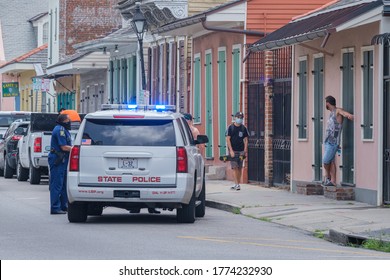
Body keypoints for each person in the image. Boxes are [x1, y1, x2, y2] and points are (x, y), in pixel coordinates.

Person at [323, 95, 354, 186]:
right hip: (328, 142)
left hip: (333, 143)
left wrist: (349, 115)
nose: (325, 105)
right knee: (331, 162)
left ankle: (327, 177)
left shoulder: (337, 111)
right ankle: (332, 181)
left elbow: (343, 113)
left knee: (325, 161)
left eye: (325, 103)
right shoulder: (331, 112)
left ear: (328, 103)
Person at [48, 114, 72, 214]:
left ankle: (63, 205)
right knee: (57, 184)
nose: (70, 122)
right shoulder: (60, 130)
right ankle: (55, 207)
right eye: (68, 120)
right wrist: (76, 149)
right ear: (63, 121)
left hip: (63, 159)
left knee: (63, 184)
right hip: (58, 159)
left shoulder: (64, 130)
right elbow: (63, 147)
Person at [225, 112, 249, 190]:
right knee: (234, 167)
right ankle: (237, 184)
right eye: (238, 117)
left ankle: (237, 183)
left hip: (241, 150)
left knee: (239, 167)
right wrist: (231, 150)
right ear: (235, 118)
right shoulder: (230, 127)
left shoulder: (243, 128)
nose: (240, 119)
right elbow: (228, 139)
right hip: (234, 151)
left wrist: (245, 150)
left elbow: (245, 139)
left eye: (241, 117)